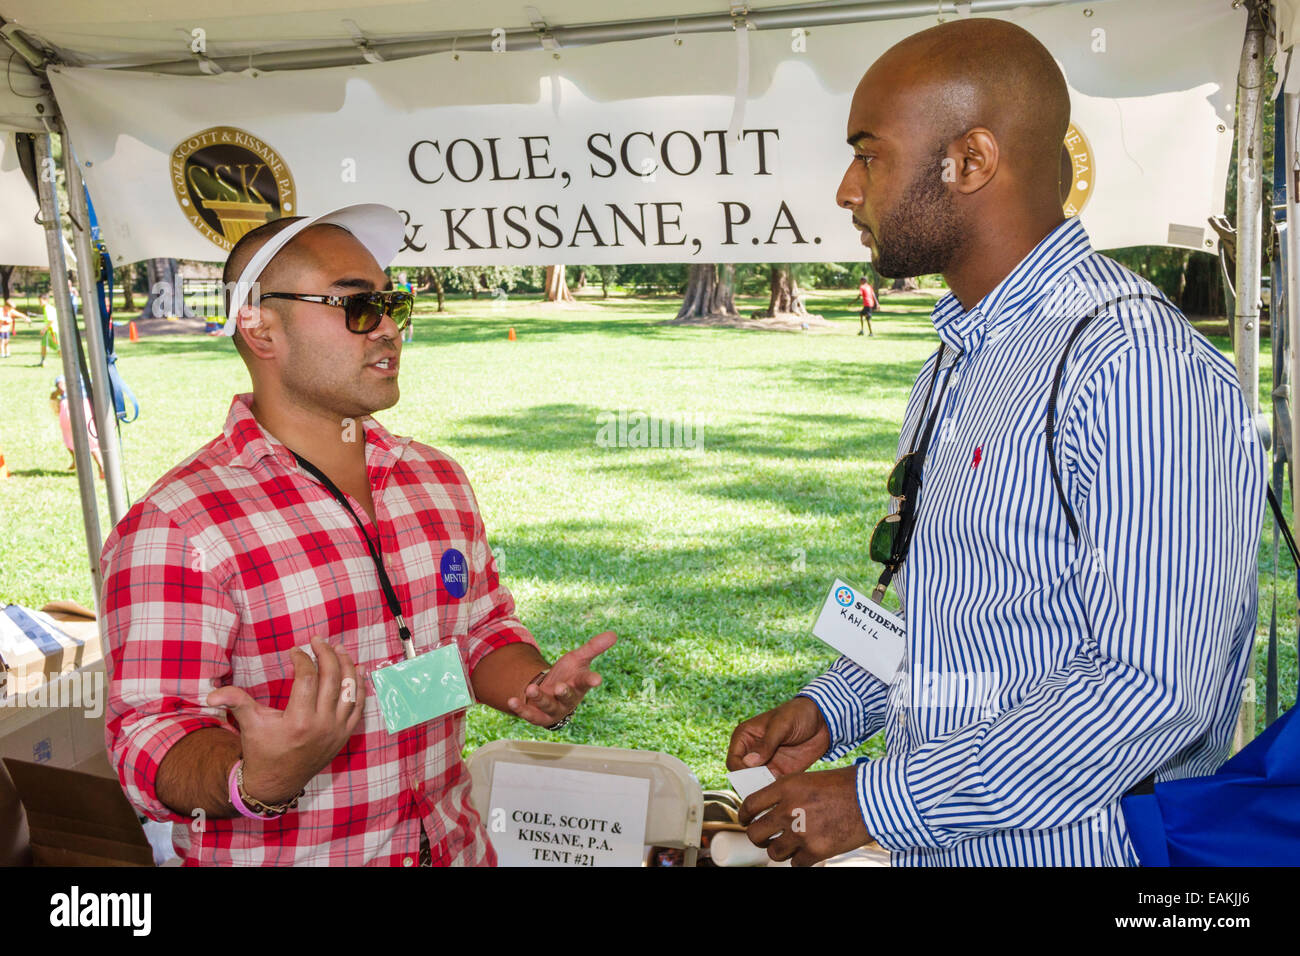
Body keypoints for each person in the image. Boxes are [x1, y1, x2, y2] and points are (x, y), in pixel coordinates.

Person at [727, 18, 1265, 867]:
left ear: (971, 162)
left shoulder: (1134, 365)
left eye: (869, 154)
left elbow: (1153, 691)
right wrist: (836, 706)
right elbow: (961, 614)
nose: (845, 188)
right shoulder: (956, 360)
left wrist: (878, 800)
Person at [99, 203, 617, 866]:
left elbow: (472, 638)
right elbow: (149, 734)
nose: (387, 330)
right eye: (356, 306)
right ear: (261, 330)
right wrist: (257, 778)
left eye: (391, 304)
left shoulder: (434, 479)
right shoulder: (181, 525)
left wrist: (530, 685)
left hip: (455, 849)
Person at [49, 374, 103, 479]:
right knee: (90, 439)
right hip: (86, 406)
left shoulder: (62, 377)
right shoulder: (86, 374)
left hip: (68, 407)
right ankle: (100, 465)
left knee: (70, 437)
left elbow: (61, 388)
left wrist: (54, 394)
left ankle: (78, 461)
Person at [38, 293, 58, 367]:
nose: (39, 303)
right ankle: (42, 361)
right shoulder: (45, 307)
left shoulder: (48, 308)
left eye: (41, 301)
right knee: (43, 345)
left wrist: (44, 329)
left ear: (46, 300)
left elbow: (51, 320)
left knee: (58, 347)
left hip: (52, 331)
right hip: (48, 331)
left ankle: (67, 361)